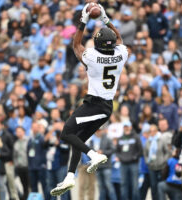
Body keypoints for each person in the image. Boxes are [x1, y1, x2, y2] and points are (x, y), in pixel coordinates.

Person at [50, 4, 129, 196]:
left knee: (66, 133)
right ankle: (70, 176)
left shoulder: (93, 57)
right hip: (106, 106)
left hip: (95, 104)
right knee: (78, 138)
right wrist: (105, 19)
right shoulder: (121, 55)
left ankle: (94, 155)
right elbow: (119, 38)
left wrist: (84, 20)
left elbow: (76, 45)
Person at [115, 120, 142, 200]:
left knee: (135, 185)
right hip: (123, 164)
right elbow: (117, 151)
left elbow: (140, 150)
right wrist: (120, 157)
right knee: (123, 184)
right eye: (124, 127)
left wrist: (134, 157)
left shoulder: (136, 137)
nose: (126, 128)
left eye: (127, 126)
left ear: (130, 127)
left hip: (133, 164)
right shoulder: (120, 138)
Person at [144, 124, 171, 200]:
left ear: (156, 131)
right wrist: (147, 161)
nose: (152, 133)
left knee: (161, 186)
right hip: (152, 167)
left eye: (154, 131)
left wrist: (163, 160)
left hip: (161, 167)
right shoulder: (148, 142)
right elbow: (145, 153)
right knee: (153, 186)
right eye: (151, 131)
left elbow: (167, 152)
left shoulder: (161, 140)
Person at [90, 127, 116, 200]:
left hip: (106, 166)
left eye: (99, 130)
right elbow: (89, 151)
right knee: (100, 187)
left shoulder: (107, 138)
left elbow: (113, 149)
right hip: (98, 166)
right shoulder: (92, 140)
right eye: (97, 130)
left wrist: (103, 152)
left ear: (102, 130)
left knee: (109, 185)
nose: (98, 132)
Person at [13, 126, 29, 200]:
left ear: (24, 132)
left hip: (27, 166)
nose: (19, 133)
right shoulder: (16, 143)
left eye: (20, 131)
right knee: (23, 185)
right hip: (20, 167)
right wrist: (16, 165)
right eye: (17, 132)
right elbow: (15, 156)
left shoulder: (28, 141)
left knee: (29, 185)